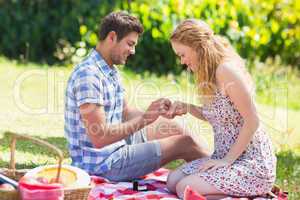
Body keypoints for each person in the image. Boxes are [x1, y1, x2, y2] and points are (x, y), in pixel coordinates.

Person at [64, 12, 209, 182]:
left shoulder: (109, 70)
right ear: (112, 37)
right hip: (103, 164)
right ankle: (221, 177)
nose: (132, 51)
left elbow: (125, 113)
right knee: (186, 143)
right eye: (130, 44)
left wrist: (155, 112)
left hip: (117, 147)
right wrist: (145, 119)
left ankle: (217, 170)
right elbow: (99, 137)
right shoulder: (88, 76)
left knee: (173, 126)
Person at [165, 19, 276, 198]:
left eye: (183, 54)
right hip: (224, 158)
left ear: (197, 47)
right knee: (172, 181)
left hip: (251, 163)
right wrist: (187, 107)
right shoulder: (207, 74)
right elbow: (217, 115)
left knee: (185, 189)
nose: (182, 61)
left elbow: (252, 120)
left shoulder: (225, 71)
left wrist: (227, 160)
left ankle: (254, 194)